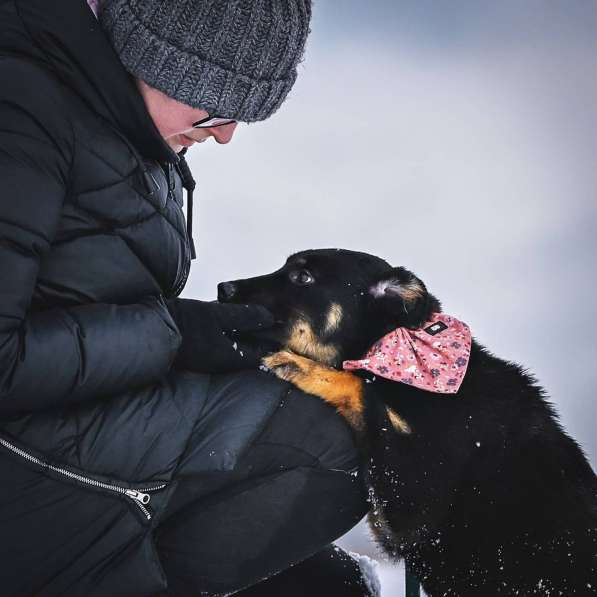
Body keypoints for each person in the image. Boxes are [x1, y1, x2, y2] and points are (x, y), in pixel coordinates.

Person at [0, 1, 375, 595]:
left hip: (68, 421)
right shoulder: (21, 111)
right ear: (159, 59)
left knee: (325, 579)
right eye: (218, 110)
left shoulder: (112, 110)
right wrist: (171, 335)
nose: (225, 135)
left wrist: (186, 340)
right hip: (20, 455)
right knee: (321, 432)